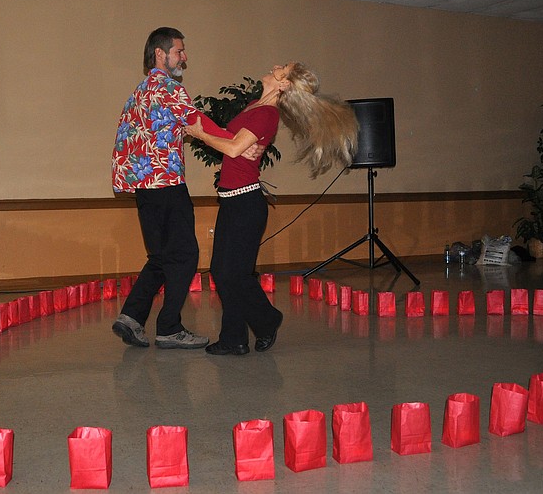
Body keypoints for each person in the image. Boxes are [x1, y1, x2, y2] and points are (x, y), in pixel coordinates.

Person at [185, 62, 358, 355]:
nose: (276, 66)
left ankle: (266, 320)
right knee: (224, 271)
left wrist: (200, 134)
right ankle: (235, 338)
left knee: (233, 274)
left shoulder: (267, 113)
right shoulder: (254, 106)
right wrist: (226, 136)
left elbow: (232, 149)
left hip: (245, 203)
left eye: (283, 68)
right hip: (231, 201)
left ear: (284, 84)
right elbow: (234, 142)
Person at [111, 27, 237, 349]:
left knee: (161, 257)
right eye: (179, 51)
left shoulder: (138, 92)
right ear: (160, 54)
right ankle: (169, 327)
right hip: (167, 186)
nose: (184, 57)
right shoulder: (168, 88)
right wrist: (234, 142)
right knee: (185, 255)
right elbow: (198, 124)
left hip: (144, 190)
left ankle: (131, 317)